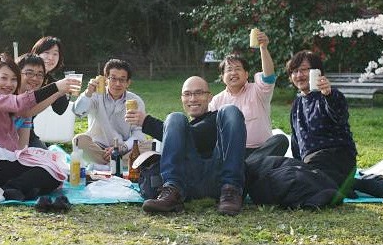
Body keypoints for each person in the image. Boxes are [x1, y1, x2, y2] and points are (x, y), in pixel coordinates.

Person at [0, 53, 80, 201]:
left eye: (13, 79)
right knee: (46, 170)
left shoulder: (10, 103)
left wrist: (58, 93)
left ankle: (12, 188)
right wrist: (56, 87)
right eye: (4, 78)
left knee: (53, 174)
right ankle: (15, 188)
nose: (9, 84)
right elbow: (21, 104)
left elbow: (26, 112)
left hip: (2, 159)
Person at [125, 76, 247, 215]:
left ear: (210, 97)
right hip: (186, 183)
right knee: (175, 117)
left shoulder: (216, 119)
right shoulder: (182, 125)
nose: (193, 99)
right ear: (182, 99)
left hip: (220, 180)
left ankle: (232, 189)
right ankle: (172, 191)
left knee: (230, 110)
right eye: (187, 94)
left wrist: (147, 122)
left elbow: (198, 137)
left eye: (199, 93)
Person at [286, 50, 357, 195]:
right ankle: (346, 184)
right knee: (295, 173)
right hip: (312, 162)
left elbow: (340, 116)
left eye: (304, 70)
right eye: (294, 71)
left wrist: (328, 95)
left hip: (337, 156)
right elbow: (296, 140)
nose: (299, 75)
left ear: (317, 72)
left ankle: (354, 184)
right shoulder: (297, 104)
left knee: (305, 177)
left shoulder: (331, 95)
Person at [209, 31, 288, 162]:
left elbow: (269, 77)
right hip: (233, 152)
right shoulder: (217, 100)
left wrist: (263, 48)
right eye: (229, 70)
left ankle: (247, 165)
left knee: (281, 140)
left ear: (246, 74)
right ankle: (250, 166)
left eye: (238, 69)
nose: (233, 73)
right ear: (222, 77)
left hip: (263, 149)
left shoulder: (258, 90)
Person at [72, 59, 149, 168]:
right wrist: (88, 93)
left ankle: (104, 166)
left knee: (151, 146)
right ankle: (118, 165)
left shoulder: (136, 101)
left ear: (128, 82)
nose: (117, 84)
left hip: (124, 149)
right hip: (98, 147)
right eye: (113, 78)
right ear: (106, 79)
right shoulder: (95, 95)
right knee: (79, 140)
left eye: (122, 80)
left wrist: (122, 148)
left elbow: (139, 133)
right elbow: (78, 112)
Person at [29, 36, 71, 147]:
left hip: (28, 130)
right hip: (8, 128)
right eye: (46, 53)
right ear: (36, 53)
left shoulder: (51, 81)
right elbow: (26, 102)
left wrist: (67, 93)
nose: (51, 58)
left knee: (47, 157)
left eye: (55, 54)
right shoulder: (26, 74)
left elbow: (59, 109)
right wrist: (56, 88)